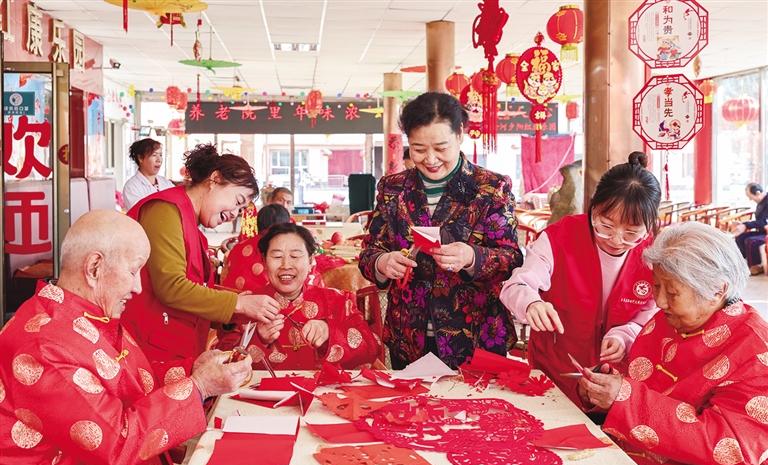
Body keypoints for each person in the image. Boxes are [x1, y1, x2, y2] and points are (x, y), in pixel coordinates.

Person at [0, 211, 252, 465]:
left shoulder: (83, 314)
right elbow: (117, 442)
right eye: (134, 271)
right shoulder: (45, 345)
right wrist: (198, 387)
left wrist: (194, 372)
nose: (138, 288)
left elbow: (124, 381)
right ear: (94, 267)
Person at [578, 222, 768, 465]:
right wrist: (603, 389)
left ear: (717, 290)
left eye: (672, 292)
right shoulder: (667, 321)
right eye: (656, 286)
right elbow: (637, 380)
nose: (660, 301)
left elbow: (729, 445)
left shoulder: (755, 351)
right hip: (631, 461)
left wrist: (624, 399)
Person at [359, 92, 523, 369]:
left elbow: (511, 258)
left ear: (460, 135)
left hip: (474, 334)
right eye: (419, 149)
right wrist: (382, 262)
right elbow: (369, 252)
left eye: (441, 147)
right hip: (408, 334)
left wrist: (471, 257)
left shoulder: (490, 188)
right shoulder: (393, 188)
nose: (430, 159)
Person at [500, 152, 661, 405]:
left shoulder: (652, 253)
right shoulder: (560, 237)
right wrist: (531, 303)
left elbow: (651, 314)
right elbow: (516, 285)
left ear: (649, 226)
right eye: (606, 226)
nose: (616, 240)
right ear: (593, 208)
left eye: (631, 233)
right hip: (557, 371)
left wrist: (625, 334)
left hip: (615, 381)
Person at [121, 144, 280, 381]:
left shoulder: (190, 225)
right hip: (148, 350)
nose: (234, 214)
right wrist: (238, 303)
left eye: (240, 209)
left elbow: (195, 292)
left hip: (174, 348)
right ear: (214, 179)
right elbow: (171, 287)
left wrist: (241, 308)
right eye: (237, 201)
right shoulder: (165, 210)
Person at [248, 223, 380, 369]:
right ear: (264, 261)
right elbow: (229, 357)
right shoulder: (248, 305)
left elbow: (371, 348)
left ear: (310, 261)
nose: (286, 265)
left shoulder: (337, 301)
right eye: (277, 256)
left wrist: (330, 333)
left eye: (295, 256)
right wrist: (259, 338)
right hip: (267, 384)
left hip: (325, 384)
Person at [122, 138, 174, 210]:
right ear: (140, 158)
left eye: (160, 155)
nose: (159, 160)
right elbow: (140, 212)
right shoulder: (131, 187)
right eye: (154, 155)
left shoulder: (166, 183)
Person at [732, 182, 767, 275]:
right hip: (762, 231)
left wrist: (746, 225)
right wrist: (743, 224)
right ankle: (742, 263)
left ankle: (756, 266)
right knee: (740, 237)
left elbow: (765, 222)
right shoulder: (761, 203)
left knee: (751, 241)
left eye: (750, 197)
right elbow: (760, 222)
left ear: (758, 193)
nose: (750, 199)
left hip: (766, 232)